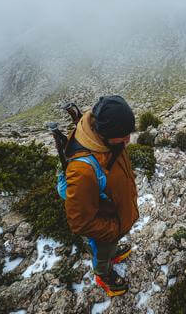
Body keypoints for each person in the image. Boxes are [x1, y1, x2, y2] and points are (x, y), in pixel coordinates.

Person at [63, 95, 139, 297]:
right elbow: (80, 223)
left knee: (109, 246)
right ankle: (102, 274)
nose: (128, 140)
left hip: (114, 216)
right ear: (105, 134)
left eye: (128, 133)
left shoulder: (110, 141)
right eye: (123, 135)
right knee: (102, 251)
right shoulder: (82, 170)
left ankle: (111, 252)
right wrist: (114, 228)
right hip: (105, 226)